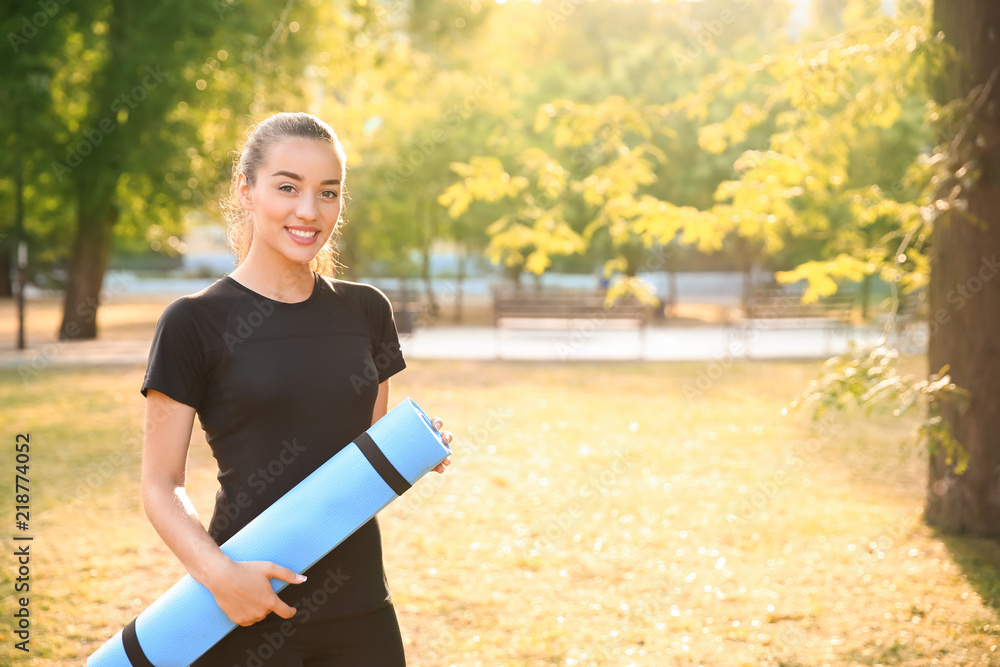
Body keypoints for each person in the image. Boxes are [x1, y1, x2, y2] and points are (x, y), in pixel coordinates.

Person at [140, 111, 451, 666]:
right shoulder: (193, 323)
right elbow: (161, 485)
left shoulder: (367, 311)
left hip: (360, 609)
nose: (309, 211)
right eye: (288, 187)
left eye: (327, 192)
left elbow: (358, 458)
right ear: (247, 189)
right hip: (245, 606)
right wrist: (223, 578)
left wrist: (410, 450)